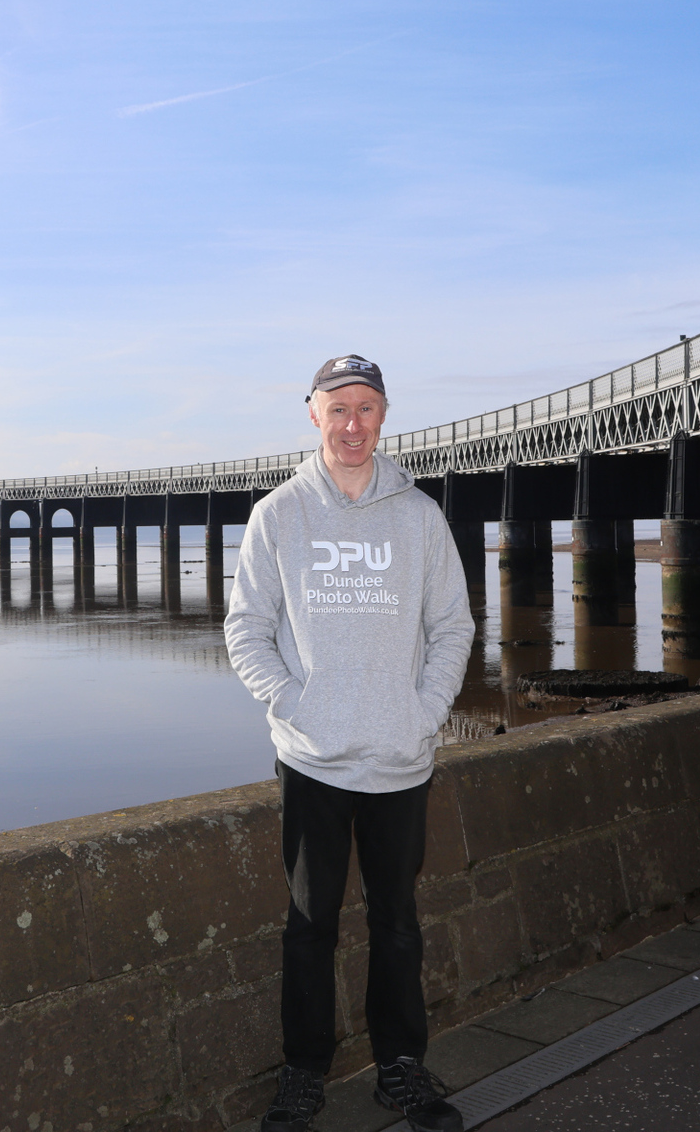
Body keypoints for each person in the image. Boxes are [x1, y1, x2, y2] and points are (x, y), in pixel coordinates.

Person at [224, 354, 475, 1132]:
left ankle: (400, 1068)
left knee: (397, 922)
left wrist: (424, 712)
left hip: (400, 759)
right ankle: (304, 1074)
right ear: (313, 414)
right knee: (310, 925)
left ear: (384, 415)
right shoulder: (279, 516)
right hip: (313, 758)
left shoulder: (420, 517)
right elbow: (246, 631)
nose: (353, 424)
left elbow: (453, 627)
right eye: (339, 408)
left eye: (367, 408)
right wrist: (295, 703)